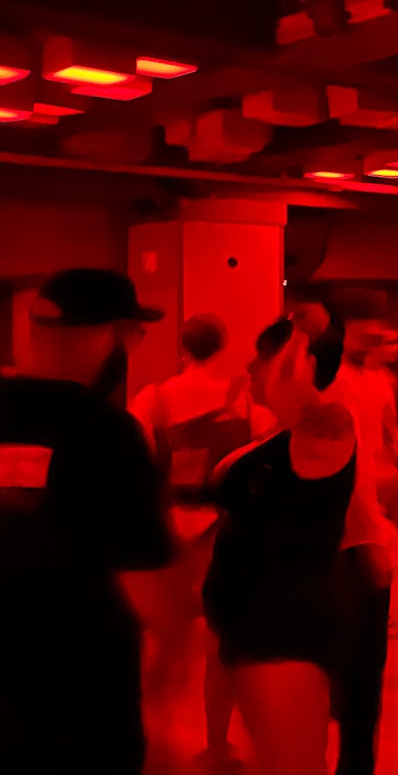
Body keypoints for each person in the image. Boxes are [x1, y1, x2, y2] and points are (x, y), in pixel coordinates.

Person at [0, 269, 172, 774]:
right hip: (78, 696)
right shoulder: (107, 433)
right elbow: (146, 582)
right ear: (105, 336)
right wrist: (172, 654)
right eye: (133, 334)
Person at [203, 323, 357, 775]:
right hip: (249, 629)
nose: (251, 367)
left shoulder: (325, 433)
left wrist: (296, 348)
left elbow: (302, 403)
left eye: (263, 358)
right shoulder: (274, 438)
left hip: (285, 630)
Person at [131, 313, 266, 767]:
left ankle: (155, 729)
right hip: (227, 524)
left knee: (167, 634)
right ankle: (217, 739)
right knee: (221, 635)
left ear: (182, 347)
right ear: (223, 344)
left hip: (170, 521)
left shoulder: (155, 398)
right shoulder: (243, 396)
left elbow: (137, 462)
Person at [323, 305, 398, 775]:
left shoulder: (378, 382)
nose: (374, 338)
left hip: (370, 517)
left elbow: (388, 437)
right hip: (345, 527)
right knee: (349, 657)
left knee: (364, 666)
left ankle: (355, 760)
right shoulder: (331, 385)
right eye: (365, 330)